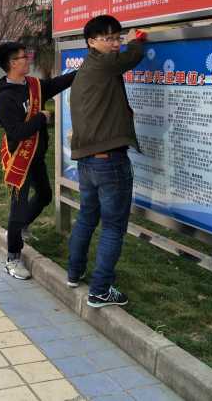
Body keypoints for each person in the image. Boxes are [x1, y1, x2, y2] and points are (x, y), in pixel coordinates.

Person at [66, 15, 145, 308]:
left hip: (88, 161)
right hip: (109, 161)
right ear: (91, 42)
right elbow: (132, 57)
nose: (115, 44)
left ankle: (74, 273)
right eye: (108, 38)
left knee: (87, 217)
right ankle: (100, 290)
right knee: (113, 226)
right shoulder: (103, 64)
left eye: (118, 38)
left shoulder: (88, 67)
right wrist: (136, 41)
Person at [0, 42, 76, 280]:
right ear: (13, 63)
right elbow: (16, 132)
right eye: (24, 56)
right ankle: (12, 258)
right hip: (19, 158)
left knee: (44, 195)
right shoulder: (5, 98)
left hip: (36, 155)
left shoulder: (33, 85)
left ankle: (21, 228)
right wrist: (40, 117)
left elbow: (58, 83)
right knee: (17, 209)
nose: (28, 59)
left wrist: (85, 68)